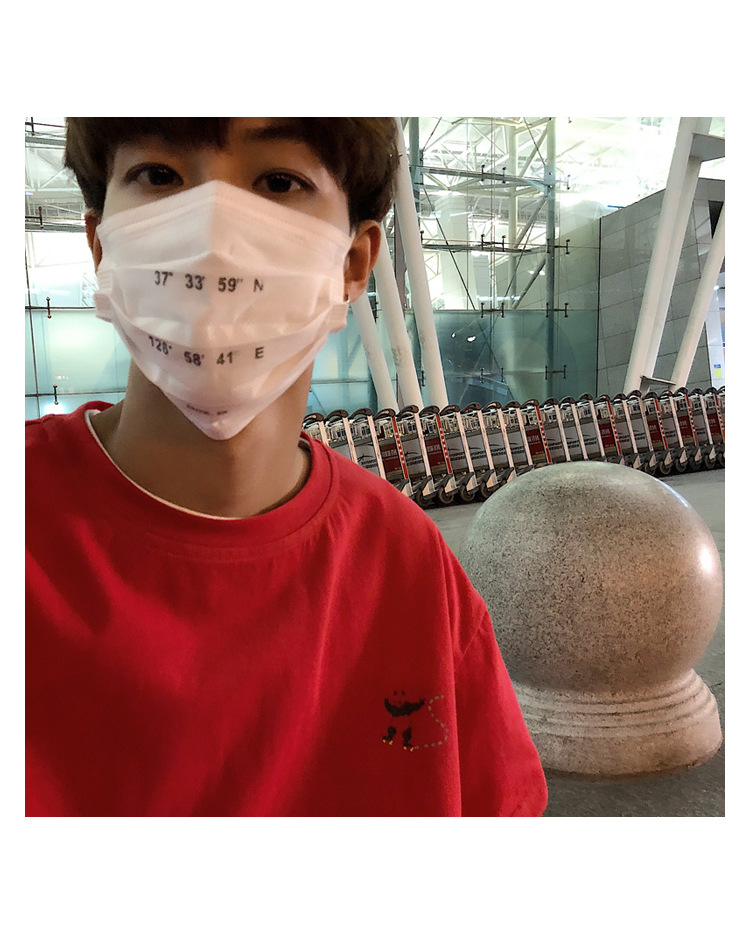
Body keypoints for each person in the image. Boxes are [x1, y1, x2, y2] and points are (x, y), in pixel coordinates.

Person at [25, 117, 547, 816]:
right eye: (159, 175)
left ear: (353, 264)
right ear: (100, 245)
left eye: (278, 181)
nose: (214, 232)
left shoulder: (407, 565)